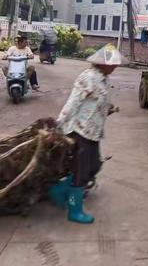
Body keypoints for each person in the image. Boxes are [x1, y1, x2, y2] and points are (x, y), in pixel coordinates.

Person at [50, 44, 124, 224]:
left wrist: (109, 109)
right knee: (81, 172)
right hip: (80, 131)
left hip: (93, 132)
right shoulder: (87, 77)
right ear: (102, 63)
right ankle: (74, 211)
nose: (115, 67)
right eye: (112, 64)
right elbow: (73, 103)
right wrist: (58, 125)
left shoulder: (104, 79)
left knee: (94, 166)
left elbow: (98, 103)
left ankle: (59, 190)